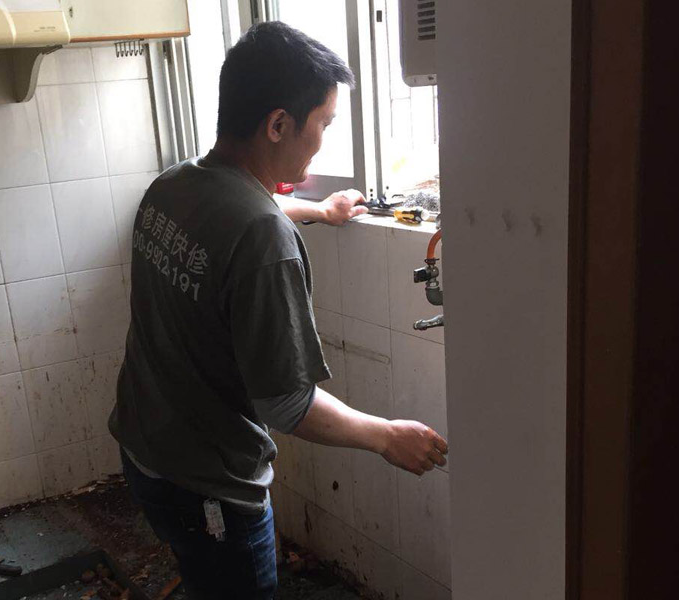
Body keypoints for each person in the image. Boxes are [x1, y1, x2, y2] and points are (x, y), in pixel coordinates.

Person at [109, 21, 448, 600]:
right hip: (209, 487)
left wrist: (320, 211)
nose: (323, 140)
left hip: (144, 449)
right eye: (324, 124)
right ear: (278, 125)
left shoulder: (173, 185)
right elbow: (286, 403)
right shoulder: (263, 237)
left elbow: (234, 219)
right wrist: (386, 436)